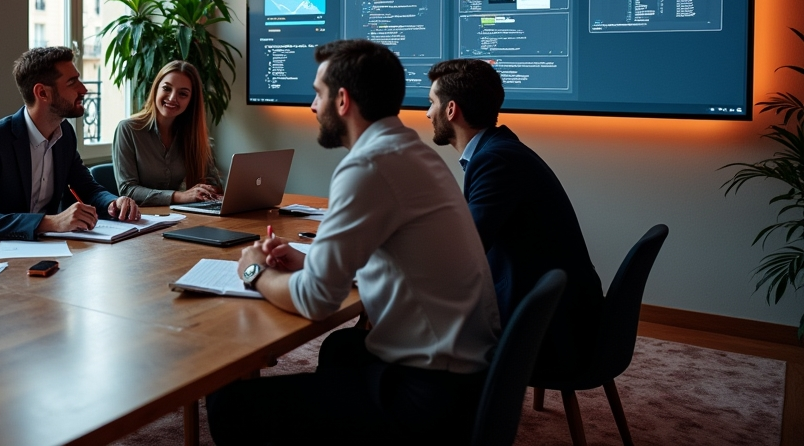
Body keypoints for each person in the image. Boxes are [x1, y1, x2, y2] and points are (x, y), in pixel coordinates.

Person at [207, 39, 500, 444]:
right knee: (343, 349)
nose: (312, 106)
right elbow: (391, 256)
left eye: (318, 93)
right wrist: (306, 261)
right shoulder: (411, 151)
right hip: (470, 376)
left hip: (430, 396)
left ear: (342, 100)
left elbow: (316, 300)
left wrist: (254, 270)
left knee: (230, 404)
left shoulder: (367, 165)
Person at [426, 58, 604, 379]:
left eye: (431, 103)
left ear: (451, 110)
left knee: (413, 322)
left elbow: (466, 249)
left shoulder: (496, 160)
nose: (427, 113)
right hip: (552, 309)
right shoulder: (498, 150)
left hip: (549, 329)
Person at [0, 46, 140, 242]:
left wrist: (113, 202)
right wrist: (50, 222)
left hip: (42, 250)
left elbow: (88, 188)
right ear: (42, 93)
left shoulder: (65, 134)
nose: (83, 89)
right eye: (72, 82)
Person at [111, 60, 223, 205]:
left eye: (182, 94)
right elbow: (128, 190)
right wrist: (179, 196)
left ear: (191, 101)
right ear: (156, 88)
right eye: (167, 88)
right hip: (143, 220)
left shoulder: (193, 135)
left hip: (183, 216)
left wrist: (209, 190)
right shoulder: (128, 130)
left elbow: (212, 180)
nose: (172, 98)